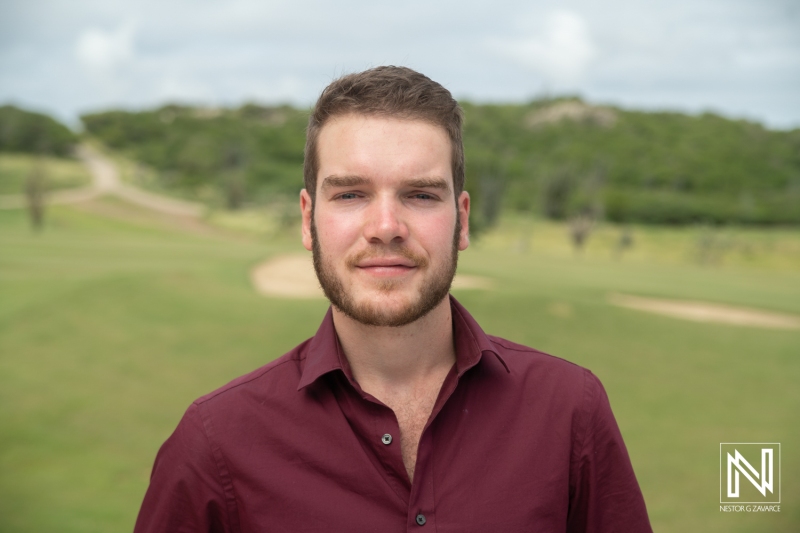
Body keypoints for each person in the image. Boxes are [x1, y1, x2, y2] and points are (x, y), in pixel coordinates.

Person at [134, 66, 652, 532]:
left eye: (421, 195)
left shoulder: (569, 410)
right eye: (351, 194)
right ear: (307, 219)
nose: (386, 227)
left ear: (463, 219)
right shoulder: (215, 443)